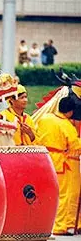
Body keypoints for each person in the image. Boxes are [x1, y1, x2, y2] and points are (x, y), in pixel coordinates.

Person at [36, 97, 81, 236]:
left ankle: (59, 223)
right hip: (62, 162)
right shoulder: (66, 125)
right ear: (70, 112)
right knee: (64, 195)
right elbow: (75, 145)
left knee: (50, 194)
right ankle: (60, 226)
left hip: (45, 160)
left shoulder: (45, 118)